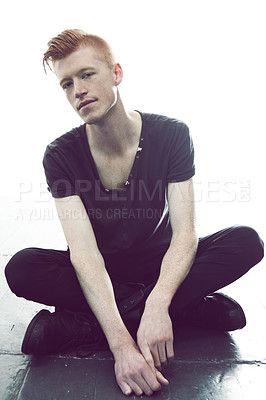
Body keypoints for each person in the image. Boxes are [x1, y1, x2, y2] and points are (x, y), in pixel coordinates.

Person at [5, 29, 264, 397]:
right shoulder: (59, 155)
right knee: (22, 268)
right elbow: (84, 254)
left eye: (86, 74)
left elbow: (185, 234)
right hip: (100, 273)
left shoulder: (172, 135)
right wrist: (121, 346)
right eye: (66, 83)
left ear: (116, 74)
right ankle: (185, 312)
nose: (77, 90)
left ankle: (84, 326)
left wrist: (159, 302)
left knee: (246, 242)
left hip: (161, 267)